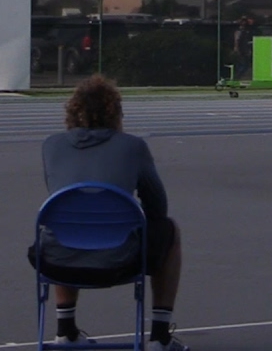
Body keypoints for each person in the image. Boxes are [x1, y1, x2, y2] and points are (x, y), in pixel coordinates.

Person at [31, 75, 190, 350]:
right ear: (116, 112)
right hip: (119, 259)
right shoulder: (133, 147)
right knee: (170, 229)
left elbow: (61, 193)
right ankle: (160, 336)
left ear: (72, 110)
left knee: (63, 227)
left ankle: (65, 330)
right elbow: (157, 210)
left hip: (58, 261)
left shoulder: (51, 146)